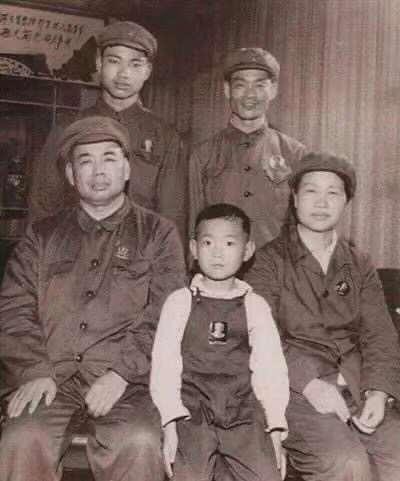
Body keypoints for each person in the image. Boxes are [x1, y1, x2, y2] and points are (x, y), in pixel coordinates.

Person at [0, 116, 186, 481]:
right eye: (85, 161)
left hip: (129, 384)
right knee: (22, 439)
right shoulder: (41, 236)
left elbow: (167, 316)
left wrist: (121, 373)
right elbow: (13, 310)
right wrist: (34, 371)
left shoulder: (159, 234)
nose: (98, 171)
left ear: (127, 169)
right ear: (71, 175)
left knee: (140, 442)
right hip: (51, 379)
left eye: (109, 158)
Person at [245, 152, 400, 481]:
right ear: (295, 198)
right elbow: (259, 338)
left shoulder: (359, 263)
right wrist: (309, 384)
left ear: (346, 202)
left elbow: (380, 336)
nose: (321, 202)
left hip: (356, 387)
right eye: (311, 191)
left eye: (333, 193)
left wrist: (379, 391)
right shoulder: (267, 262)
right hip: (294, 391)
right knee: (346, 464)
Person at [150, 203, 289, 481]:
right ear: (193, 248)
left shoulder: (255, 305)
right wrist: (170, 423)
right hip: (192, 412)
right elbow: (164, 367)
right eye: (208, 242)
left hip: (242, 412)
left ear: (247, 250)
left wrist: (275, 427)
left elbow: (271, 369)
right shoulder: (179, 302)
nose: (217, 252)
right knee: (188, 475)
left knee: (267, 475)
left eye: (229, 243)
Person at [29, 20, 187, 243]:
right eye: (114, 61)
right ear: (99, 63)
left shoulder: (165, 137)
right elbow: (43, 204)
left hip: (140, 255)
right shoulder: (67, 128)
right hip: (77, 251)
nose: (124, 73)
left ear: (147, 71)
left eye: (135, 64)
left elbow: (173, 216)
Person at [189, 47, 306, 247]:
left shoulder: (294, 154)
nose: (250, 95)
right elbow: (193, 227)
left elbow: (301, 230)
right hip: (219, 265)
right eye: (240, 85)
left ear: (273, 90)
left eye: (260, 85)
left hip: (277, 266)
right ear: (227, 90)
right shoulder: (203, 155)